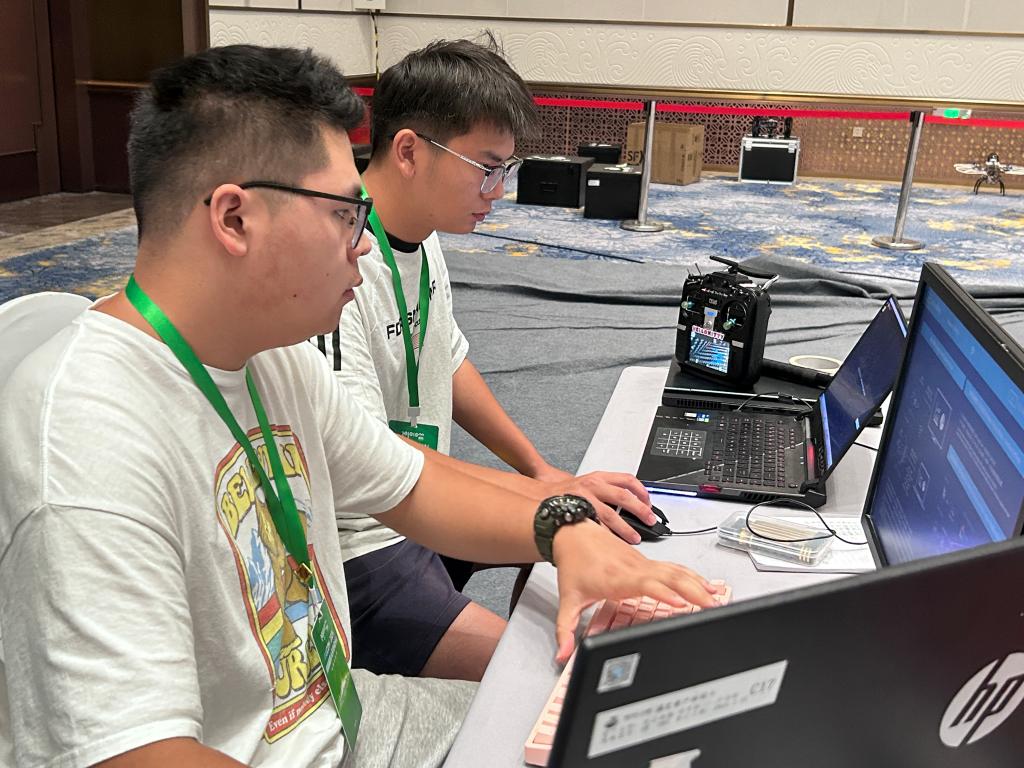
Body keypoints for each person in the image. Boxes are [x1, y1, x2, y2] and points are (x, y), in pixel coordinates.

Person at [0, 45, 719, 768]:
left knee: (618, 724)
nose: (367, 247)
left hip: (345, 718)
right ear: (235, 219)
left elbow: (412, 483)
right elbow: (136, 754)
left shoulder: (272, 353)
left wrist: (561, 525)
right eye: (346, 213)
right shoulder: (87, 444)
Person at [314, 37, 667, 683]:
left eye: (506, 169)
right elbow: (371, 457)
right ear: (409, 151)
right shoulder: (335, 268)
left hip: (422, 507)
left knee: (585, 533)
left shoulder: (423, 235)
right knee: (562, 677)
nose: (498, 192)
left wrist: (541, 470)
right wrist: (543, 501)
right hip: (363, 547)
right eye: (486, 168)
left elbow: (447, 360)